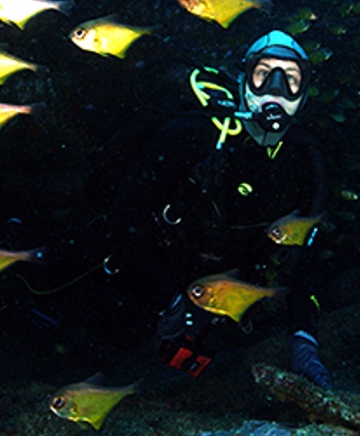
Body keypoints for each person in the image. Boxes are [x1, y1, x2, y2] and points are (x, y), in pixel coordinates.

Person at [92, 30, 332, 387]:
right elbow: (124, 219)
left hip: (226, 307)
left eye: (292, 80)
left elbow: (308, 258)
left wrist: (303, 338)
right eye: (263, 74)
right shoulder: (189, 134)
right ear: (243, 80)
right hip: (147, 287)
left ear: (304, 95)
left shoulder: (304, 161)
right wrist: (167, 301)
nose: (276, 90)